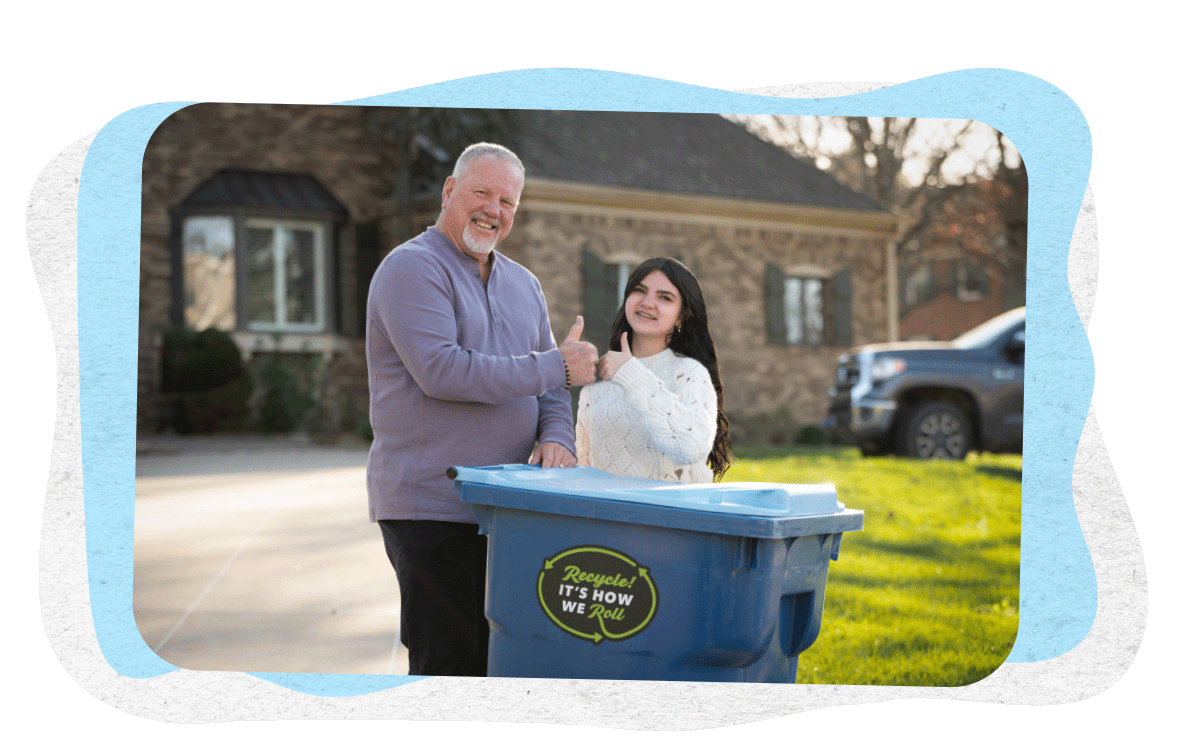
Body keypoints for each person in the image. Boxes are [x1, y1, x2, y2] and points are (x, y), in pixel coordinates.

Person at [365, 142, 599, 677]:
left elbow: (551, 392)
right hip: (432, 507)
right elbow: (443, 371)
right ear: (450, 191)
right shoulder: (410, 269)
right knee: (451, 664)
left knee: (506, 662)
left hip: (512, 510)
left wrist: (558, 436)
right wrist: (556, 367)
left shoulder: (525, 284)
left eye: (509, 201)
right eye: (482, 192)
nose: (495, 209)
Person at [576, 257, 732, 483]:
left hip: (670, 516)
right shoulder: (597, 387)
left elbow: (691, 448)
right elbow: (583, 469)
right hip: (606, 517)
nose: (647, 303)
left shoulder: (688, 373)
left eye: (664, 297)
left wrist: (631, 374)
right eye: (640, 291)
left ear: (681, 316)